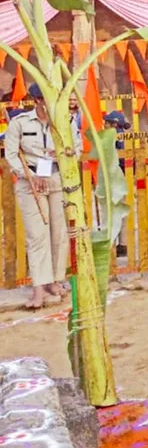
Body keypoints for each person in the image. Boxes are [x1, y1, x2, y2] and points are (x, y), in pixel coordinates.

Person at [4, 85, 72, 309]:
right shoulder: (20, 123)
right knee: (37, 235)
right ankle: (39, 288)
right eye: (44, 98)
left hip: (57, 177)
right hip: (30, 181)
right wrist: (30, 175)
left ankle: (55, 280)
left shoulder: (65, 120)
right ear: (37, 100)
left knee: (58, 233)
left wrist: (65, 152)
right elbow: (12, 155)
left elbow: (78, 147)